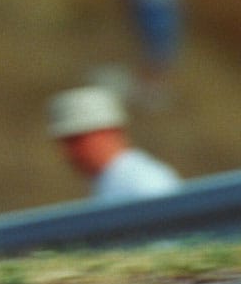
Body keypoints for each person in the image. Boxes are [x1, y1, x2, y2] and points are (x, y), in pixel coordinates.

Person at [47, 85, 181, 202]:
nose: (68, 151)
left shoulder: (143, 181)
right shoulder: (108, 180)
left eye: (76, 140)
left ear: (108, 130)